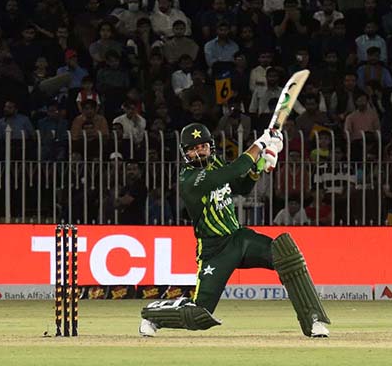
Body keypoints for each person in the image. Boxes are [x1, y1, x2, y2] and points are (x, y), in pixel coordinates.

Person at [139, 124, 330, 338]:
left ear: (210, 147)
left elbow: (241, 186)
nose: (199, 151)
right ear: (185, 153)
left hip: (239, 238)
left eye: (203, 146)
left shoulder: (217, 162)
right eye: (193, 148)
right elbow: (233, 171)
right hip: (214, 250)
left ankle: (314, 320)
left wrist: (259, 167)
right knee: (199, 314)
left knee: (286, 254)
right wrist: (260, 145)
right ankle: (154, 314)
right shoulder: (189, 179)